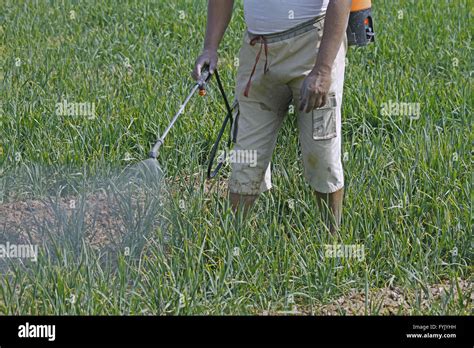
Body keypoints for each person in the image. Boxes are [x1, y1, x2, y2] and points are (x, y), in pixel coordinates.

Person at [192, 0, 352, 233]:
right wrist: (210, 47)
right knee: (246, 157)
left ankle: (331, 242)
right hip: (258, 52)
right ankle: (231, 245)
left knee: (322, 153)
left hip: (314, 48)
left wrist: (323, 70)